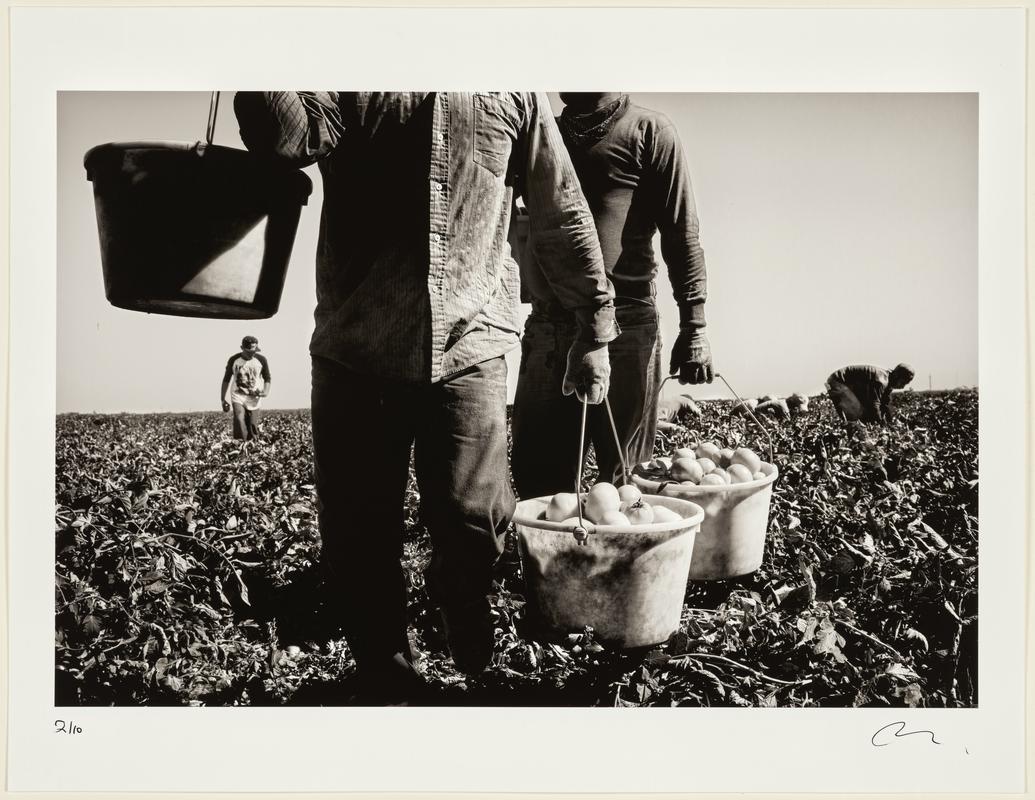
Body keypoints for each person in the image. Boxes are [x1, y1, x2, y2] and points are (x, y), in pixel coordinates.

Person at [233, 91, 616, 704]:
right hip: (359, 347)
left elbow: (559, 207)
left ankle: (461, 602)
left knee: (475, 516)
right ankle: (388, 676)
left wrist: (593, 325)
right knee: (358, 531)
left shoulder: (511, 90)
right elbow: (288, 138)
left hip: (471, 344)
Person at [511, 92, 711, 497]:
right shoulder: (537, 132)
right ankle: (551, 559)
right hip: (549, 325)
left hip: (628, 324)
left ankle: (622, 561)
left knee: (626, 482)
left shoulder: (649, 131)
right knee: (539, 484)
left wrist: (695, 327)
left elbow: (681, 235)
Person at [220, 335, 271, 441]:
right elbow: (226, 379)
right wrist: (222, 399)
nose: (252, 353)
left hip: (254, 396)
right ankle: (240, 444)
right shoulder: (234, 360)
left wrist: (265, 392)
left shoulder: (261, 360)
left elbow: (267, 378)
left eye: (254, 351)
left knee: (252, 424)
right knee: (239, 418)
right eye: (249, 351)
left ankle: (252, 446)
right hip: (238, 394)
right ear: (242, 348)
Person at [825, 364, 915, 423]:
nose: (903, 387)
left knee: (864, 416)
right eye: (903, 382)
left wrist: (890, 422)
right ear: (896, 376)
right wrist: (880, 424)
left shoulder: (887, 382)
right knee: (857, 416)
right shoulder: (881, 381)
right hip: (837, 381)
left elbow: (886, 404)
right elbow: (874, 405)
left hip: (844, 384)